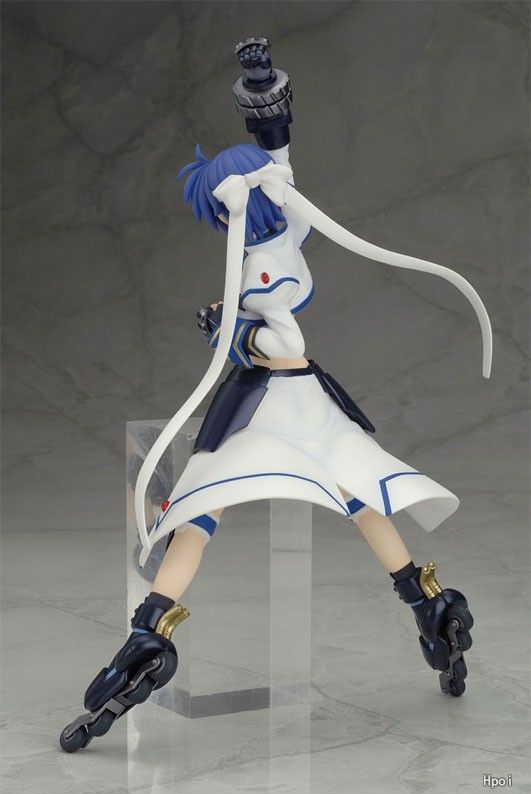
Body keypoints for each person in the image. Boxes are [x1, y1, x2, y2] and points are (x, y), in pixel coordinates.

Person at [60, 38, 490, 753]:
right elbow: (276, 162)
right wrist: (263, 95)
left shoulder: (263, 250)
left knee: (202, 512)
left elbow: (277, 337)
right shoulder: (282, 229)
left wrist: (231, 335)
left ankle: (150, 631)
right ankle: (424, 600)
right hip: (301, 400)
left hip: (269, 400)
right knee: (351, 497)